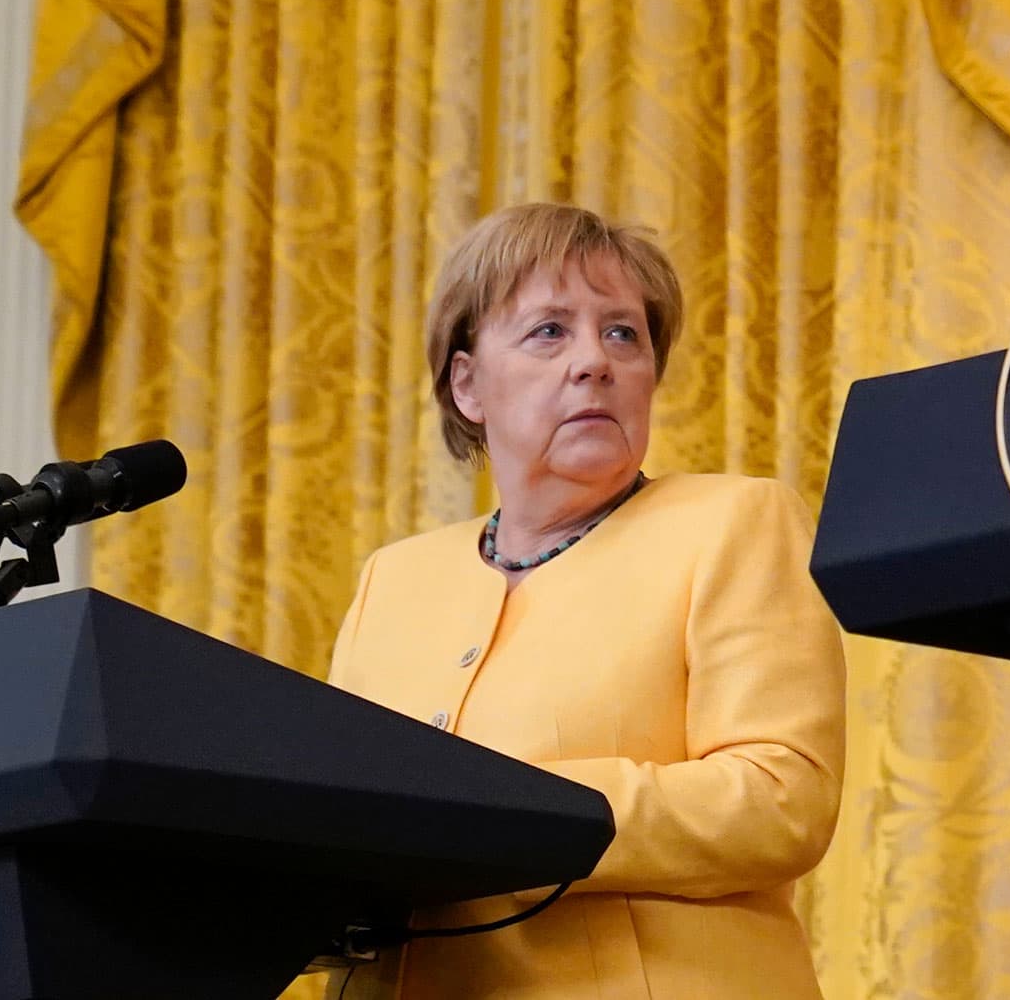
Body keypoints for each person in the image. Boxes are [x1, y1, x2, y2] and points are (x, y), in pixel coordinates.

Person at [325, 202, 845, 999]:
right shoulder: (391, 581)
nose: (595, 362)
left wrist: (519, 816)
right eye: (548, 331)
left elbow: (783, 798)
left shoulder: (732, 523)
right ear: (468, 384)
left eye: (622, 334)